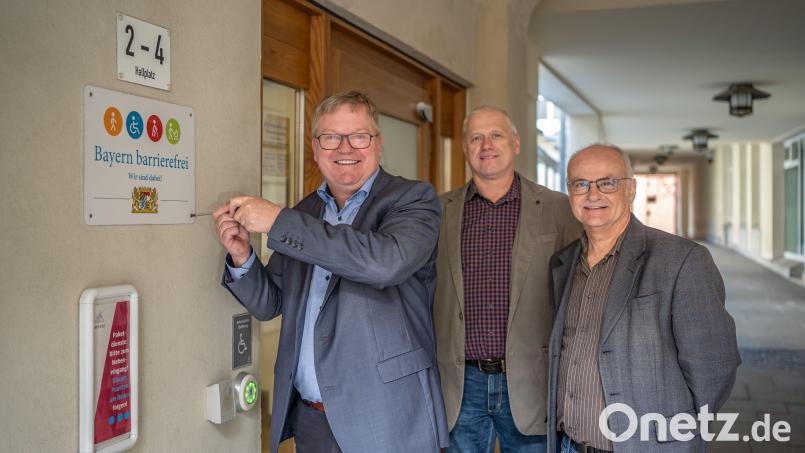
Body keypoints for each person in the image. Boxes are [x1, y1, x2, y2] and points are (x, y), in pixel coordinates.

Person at [212, 91, 449, 453]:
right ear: (315, 147)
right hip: (313, 420)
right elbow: (271, 303)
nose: (345, 147)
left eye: (359, 136)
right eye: (331, 137)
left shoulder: (413, 200)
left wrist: (277, 220)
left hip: (388, 419)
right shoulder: (304, 212)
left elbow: (383, 263)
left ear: (378, 143)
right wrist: (243, 256)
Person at [547, 145, 741, 453]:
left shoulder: (682, 260)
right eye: (580, 184)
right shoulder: (563, 263)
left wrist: (676, 436)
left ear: (631, 189)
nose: (592, 194)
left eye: (607, 182)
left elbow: (715, 366)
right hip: (569, 445)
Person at [434, 105, 582, 452]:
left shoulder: (559, 209)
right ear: (465, 148)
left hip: (531, 381)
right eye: (476, 138)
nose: (486, 145)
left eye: (496, 135)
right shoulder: (438, 211)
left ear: (515, 143)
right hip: (461, 384)